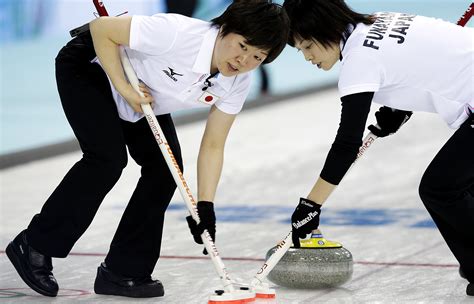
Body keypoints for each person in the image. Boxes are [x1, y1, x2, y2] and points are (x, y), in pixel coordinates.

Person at [5, 0, 289, 298]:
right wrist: (124, 87)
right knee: (107, 160)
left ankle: (123, 271)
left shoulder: (236, 81)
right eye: (242, 46)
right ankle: (35, 245)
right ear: (226, 29)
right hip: (94, 69)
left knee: (166, 171)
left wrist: (205, 206)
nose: (243, 60)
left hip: (142, 92)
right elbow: (102, 29)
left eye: (257, 56)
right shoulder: (178, 33)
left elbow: (214, 144)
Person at [282, 0, 473, 296]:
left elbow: (346, 144)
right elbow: (424, 62)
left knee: (442, 188)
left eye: (307, 46)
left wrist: (311, 205)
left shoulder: (358, 60)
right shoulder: (379, 20)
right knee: (457, 185)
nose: (307, 57)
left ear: (325, 29)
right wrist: (399, 105)